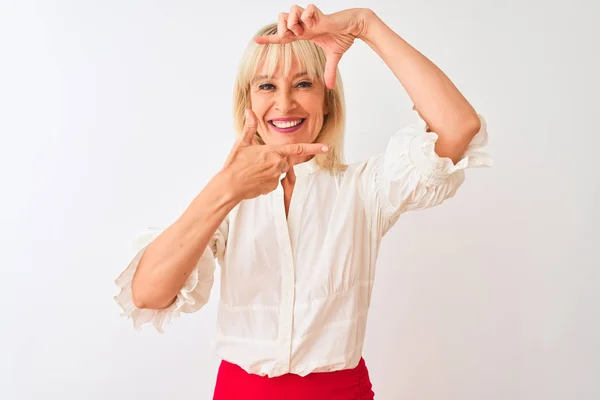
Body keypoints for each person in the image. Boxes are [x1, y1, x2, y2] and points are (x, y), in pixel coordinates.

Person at [114, 5, 492, 400]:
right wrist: (225, 188)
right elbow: (148, 294)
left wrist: (367, 26)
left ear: (328, 101)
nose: (284, 104)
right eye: (266, 86)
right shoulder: (224, 199)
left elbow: (459, 125)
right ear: (247, 104)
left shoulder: (366, 189)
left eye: (303, 84)